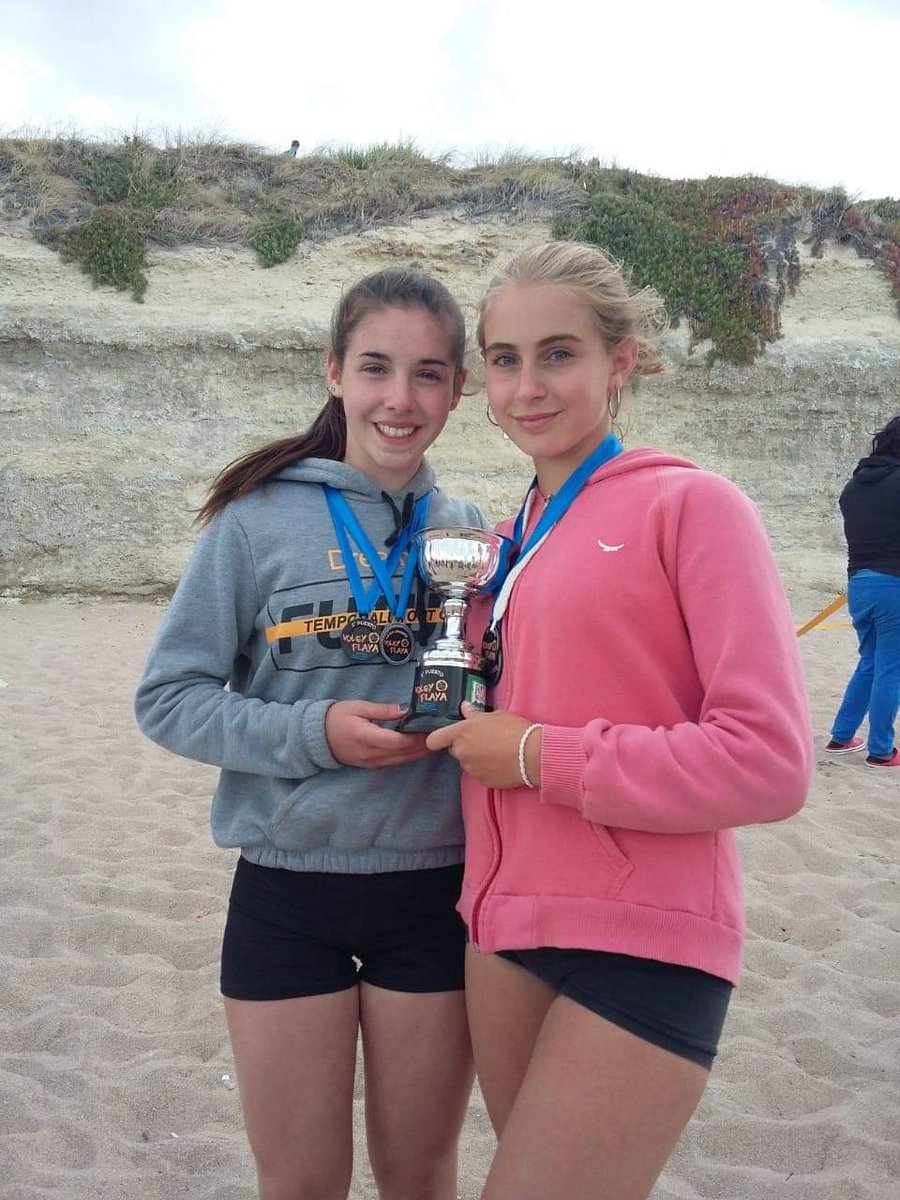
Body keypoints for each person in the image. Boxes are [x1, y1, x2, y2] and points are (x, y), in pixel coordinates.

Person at [427, 241, 813, 1200]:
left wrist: (535, 754)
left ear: (621, 361)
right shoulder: (502, 541)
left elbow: (770, 760)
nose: (527, 387)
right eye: (505, 359)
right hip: (501, 930)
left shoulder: (695, 506)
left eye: (558, 354)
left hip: (645, 935)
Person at [135, 268, 484, 1200]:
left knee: (420, 1176)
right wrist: (314, 732)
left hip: (435, 893)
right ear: (334, 371)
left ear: (458, 388)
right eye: (376, 368)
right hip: (286, 894)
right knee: (298, 1182)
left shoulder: (470, 533)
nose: (400, 399)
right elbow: (168, 698)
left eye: (428, 374)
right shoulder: (254, 522)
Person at [826, 415, 900, 767]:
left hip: (860, 583)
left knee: (870, 662)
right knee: (891, 668)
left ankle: (841, 736)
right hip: (894, 585)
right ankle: (881, 750)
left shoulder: (854, 487)